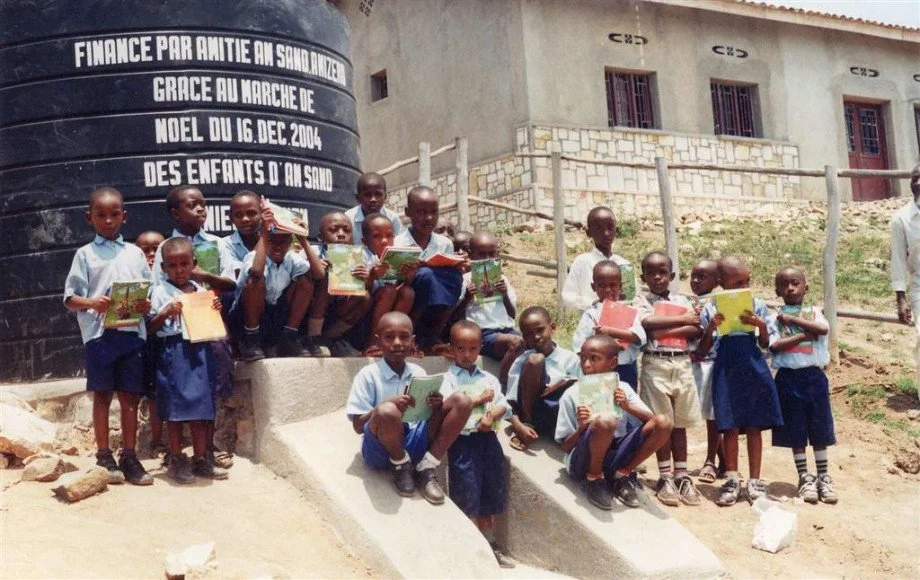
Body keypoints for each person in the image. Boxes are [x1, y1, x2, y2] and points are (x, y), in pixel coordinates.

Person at [64, 187, 154, 486]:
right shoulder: (85, 254)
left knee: (130, 397)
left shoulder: (135, 253)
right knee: (102, 395)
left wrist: (144, 304)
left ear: (124, 216)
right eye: (101, 215)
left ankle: (129, 455)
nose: (108, 221)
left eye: (114, 214)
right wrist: (92, 303)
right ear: (89, 218)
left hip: (130, 333)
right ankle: (104, 455)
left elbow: (149, 290)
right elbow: (70, 298)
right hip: (100, 336)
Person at [345, 312, 472, 503]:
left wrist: (436, 406)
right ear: (379, 342)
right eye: (389, 337)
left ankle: (426, 467)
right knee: (387, 411)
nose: (397, 342)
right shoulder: (367, 375)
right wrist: (386, 404)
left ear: (412, 341)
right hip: (380, 450)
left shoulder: (418, 372)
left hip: (414, 442)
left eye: (404, 337)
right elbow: (357, 426)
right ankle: (401, 466)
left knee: (462, 401)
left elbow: (426, 415)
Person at [698, 257, 783, 506]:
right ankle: (732, 478)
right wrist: (712, 327)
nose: (744, 286)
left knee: (755, 425)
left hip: (753, 367)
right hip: (726, 369)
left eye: (747, 281)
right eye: (737, 282)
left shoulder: (757, 305)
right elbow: (703, 350)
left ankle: (755, 481)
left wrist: (760, 326)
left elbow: (766, 343)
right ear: (721, 283)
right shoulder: (711, 308)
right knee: (730, 426)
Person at [555, 334, 672, 510]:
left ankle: (622, 475)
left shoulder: (623, 389)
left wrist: (627, 406)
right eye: (583, 358)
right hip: (584, 461)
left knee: (665, 422)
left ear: (612, 363)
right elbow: (564, 447)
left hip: (616, 456)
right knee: (605, 421)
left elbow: (654, 423)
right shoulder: (572, 394)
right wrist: (583, 427)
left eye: (594, 359)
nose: (586, 364)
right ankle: (594, 479)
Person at [147, 237, 228, 484]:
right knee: (175, 408)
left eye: (184, 264)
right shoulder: (160, 291)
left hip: (200, 351)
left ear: (194, 264)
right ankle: (176, 458)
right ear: (163, 269)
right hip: (174, 352)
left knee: (201, 407)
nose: (179, 270)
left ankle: (201, 458)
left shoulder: (202, 291)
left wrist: (216, 307)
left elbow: (213, 323)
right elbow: (150, 328)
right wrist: (165, 312)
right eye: (172, 265)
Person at [442, 321, 514, 568]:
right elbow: (447, 408)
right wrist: (477, 400)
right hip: (463, 443)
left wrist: (492, 415)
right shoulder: (448, 379)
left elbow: (504, 403)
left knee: (489, 493)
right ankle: (470, 550)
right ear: (452, 350)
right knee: (467, 493)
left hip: (489, 442)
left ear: (480, 349)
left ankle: (490, 545)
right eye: (461, 349)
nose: (467, 354)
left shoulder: (489, 378)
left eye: (472, 349)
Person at [635, 252, 702, 507]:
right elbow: (647, 322)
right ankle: (665, 476)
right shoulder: (641, 300)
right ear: (643, 277)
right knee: (662, 421)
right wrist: (681, 320)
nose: (657, 277)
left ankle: (682, 475)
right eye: (651, 273)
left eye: (662, 272)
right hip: (655, 363)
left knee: (680, 422)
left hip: (682, 362)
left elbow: (696, 328)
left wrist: (665, 328)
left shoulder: (682, 300)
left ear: (672, 276)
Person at [769, 267, 837, 504]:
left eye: (795, 283)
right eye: (784, 285)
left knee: (819, 426)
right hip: (788, 378)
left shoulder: (814, 313)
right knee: (795, 428)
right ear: (777, 291)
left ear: (805, 287)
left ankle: (823, 476)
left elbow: (822, 329)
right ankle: (804, 477)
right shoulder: (774, 317)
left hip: (814, 377)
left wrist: (794, 321)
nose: (790, 288)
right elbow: (775, 346)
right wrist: (800, 336)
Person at [229, 206, 324, 360]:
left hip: (274, 319)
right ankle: (251, 341)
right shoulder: (253, 256)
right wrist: (264, 234)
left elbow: (319, 274)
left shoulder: (291, 258)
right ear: (266, 240)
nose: (278, 246)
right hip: (248, 320)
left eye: (283, 241)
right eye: (273, 241)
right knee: (255, 281)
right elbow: (257, 273)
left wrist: (302, 239)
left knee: (306, 280)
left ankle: (289, 338)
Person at [395, 186, 466, 352]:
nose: (428, 218)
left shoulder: (444, 243)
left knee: (455, 277)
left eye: (434, 212)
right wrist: (410, 276)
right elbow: (390, 281)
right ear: (408, 212)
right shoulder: (398, 243)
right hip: (408, 300)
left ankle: (432, 336)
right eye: (421, 212)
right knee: (425, 276)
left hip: (435, 304)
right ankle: (410, 336)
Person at [506, 306, 581, 451]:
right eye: (528, 334)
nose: (535, 337)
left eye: (540, 330)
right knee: (536, 360)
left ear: (552, 327)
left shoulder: (570, 359)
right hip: (531, 412)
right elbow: (510, 400)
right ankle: (528, 423)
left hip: (556, 415)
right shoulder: (523, 360)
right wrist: (518, 425)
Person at [457, 232, 524, 385]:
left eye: (492, 254)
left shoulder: (503, 280)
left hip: (507, 329)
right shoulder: (465, 281)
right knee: (516, 342)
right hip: (484, 334)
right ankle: (502, 385)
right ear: (470, 255)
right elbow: (456, 317)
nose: (487, 259)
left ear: (498, 254)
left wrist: (504, 294)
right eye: (481, 254)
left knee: (533, 343)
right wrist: (467, 297)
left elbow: (512, 314)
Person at [305, 211, 372, 356]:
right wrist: (314, 270)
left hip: (337, 311)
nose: (341, 234)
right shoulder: (313, 252)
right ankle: (314, 337)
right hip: (310, 312)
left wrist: (366, 279)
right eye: (333, 230)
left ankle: (330, 338)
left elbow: (365, 286)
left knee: (364, 296)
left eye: (347, 230)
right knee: (325, 276)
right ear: (320, 237)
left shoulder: (358, 257)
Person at [570, 261, 645, 390]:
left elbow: (639, 337)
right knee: (601, 406)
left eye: (612, 285)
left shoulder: (629, 311)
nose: (608, 290)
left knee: (625, 403)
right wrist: (601, 343)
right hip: (598, 371)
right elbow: (579, 345)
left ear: (620, 286)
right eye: (602, 286)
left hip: (625, 369)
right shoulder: (591, 314)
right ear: (594, 287)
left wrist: (611, 333)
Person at [151, 185, 236, 294]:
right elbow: (158, 285)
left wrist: (206, 276)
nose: (200, 209)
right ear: (176, 214)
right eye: (192, 205)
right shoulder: (165, 247)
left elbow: (232, 284)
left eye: (203, 204)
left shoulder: (218, 243)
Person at [688, 259, 725, 483]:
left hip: (710, 362)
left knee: (712, 416)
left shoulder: (717, 305)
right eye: (693, 276)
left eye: (702, 277)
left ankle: (710, 460)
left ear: (717, 281)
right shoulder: (689, 302)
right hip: (691, 363)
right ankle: (724, 461)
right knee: (702, 412)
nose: (695, 281)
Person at [359, 212, 415, 350]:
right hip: (364, 315)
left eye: (389, 235)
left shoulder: (395, 256)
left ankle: (395, 338)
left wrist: (407, 277)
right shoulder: (362, 256)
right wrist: (372, 276)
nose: (384, 241)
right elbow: (359, 291)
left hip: (387, 307)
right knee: (388, 290)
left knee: (408, 292)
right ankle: (374, 342)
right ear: (365, 241)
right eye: (377, 236)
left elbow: (398, 289)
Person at [562, 207, 633, 312]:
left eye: (610, 228)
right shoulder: (582, 262)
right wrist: (592, 303)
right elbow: (568, 297)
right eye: (599, 229)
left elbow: (631, 299)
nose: (606, 233)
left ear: (616, 231)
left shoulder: (624, 265)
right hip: (589, 323)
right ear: (589, 233)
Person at [134, 230, 166, 455]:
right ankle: (152, 441)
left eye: (157, 249)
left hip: (167, 340)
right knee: (148, 393)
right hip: (142, 342)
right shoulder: (135, 279)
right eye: (146, 251)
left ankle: (165, 442)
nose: (152, 255)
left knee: (163, 390)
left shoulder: (171, 279)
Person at [890, 161, 920, 402]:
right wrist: (901, 298)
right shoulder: (902, 219)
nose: (918, 182)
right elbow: (898, 261)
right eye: (914, 178)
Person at [219, 190, 262, 282]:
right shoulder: (225, 244)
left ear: (262, 213)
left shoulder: (274, 240)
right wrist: (264, 237)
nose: (245, 219)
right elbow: (248, 274)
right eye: (238, 215)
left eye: (251, 213)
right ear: (231, 218)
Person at [345, 172, 403, 239]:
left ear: (385, 197)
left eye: (378, 194)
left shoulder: (393, 219)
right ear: (358, 198)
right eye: (367, 195)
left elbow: (399, 245)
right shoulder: (348, 219)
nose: (373, 199)